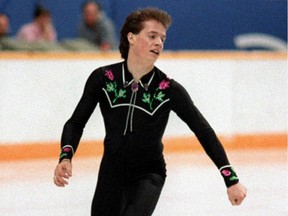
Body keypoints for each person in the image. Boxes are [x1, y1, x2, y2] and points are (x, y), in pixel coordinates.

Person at [54, 7, 247, 216]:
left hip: (148, 174)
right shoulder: (103, 78)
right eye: (152, 35)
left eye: (162, 38)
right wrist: (66, 156)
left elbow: (203, 130)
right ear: (132, 38)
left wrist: (231, 179)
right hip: (112, 171)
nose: (159, 43)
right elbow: (76, 122)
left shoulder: (168, 90)